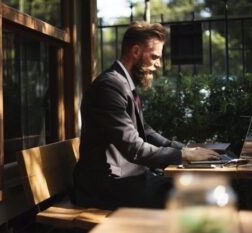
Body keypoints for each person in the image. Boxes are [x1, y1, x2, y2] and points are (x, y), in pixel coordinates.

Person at [72, 21, 220, 209]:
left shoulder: (123, 83)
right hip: (106, 186)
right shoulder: (109, 86)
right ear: (136, 52)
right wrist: (183, 155)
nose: (158, 64)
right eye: (155, 57)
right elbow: (134, 148)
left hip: (126, 178)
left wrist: (187, 149)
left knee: (197, 187)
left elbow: (147, 132)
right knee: (196, 194)